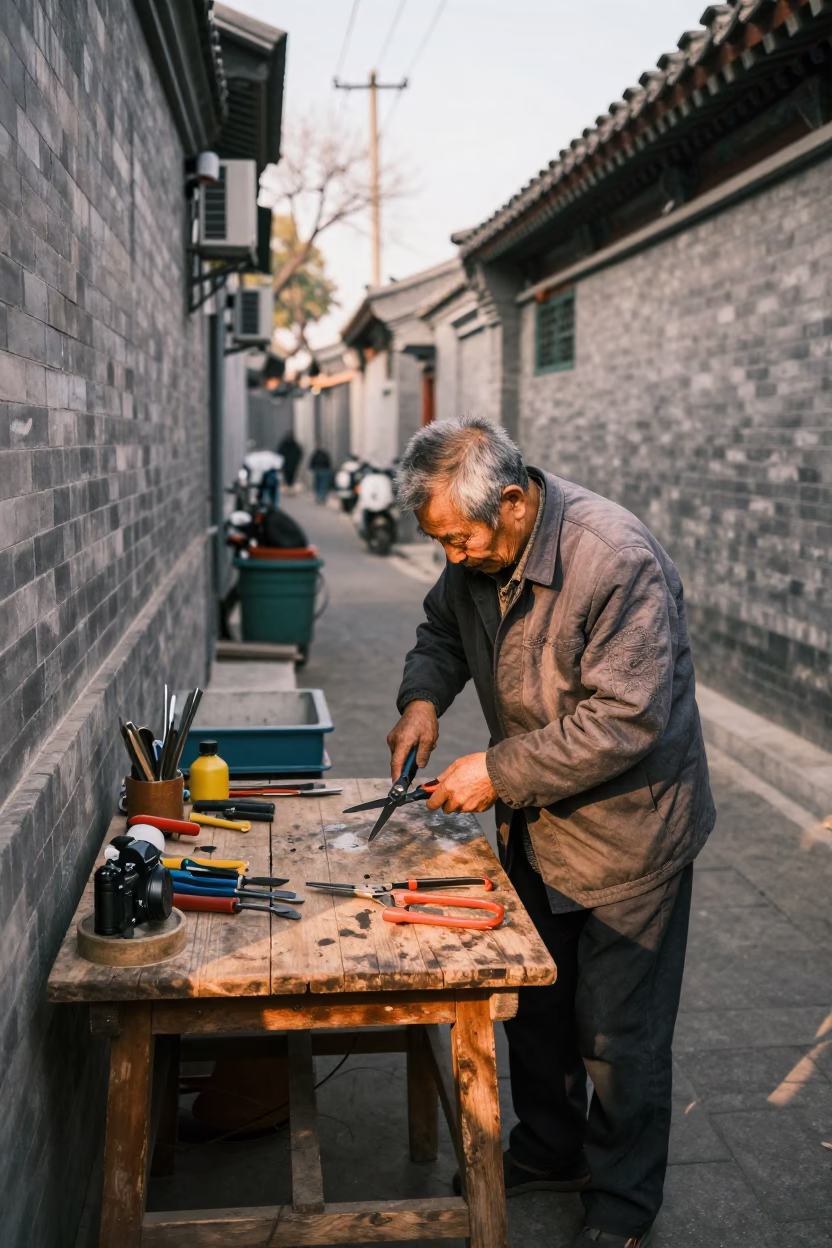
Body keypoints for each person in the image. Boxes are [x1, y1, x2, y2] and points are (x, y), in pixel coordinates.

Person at [387, 416, 715, 1248]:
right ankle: (550, 1148)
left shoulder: (614, 559)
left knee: (617, 1034)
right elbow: (439, 631)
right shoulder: (472, 552)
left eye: (461, 541)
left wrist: (494, 771)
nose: (454, 558)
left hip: (629, 835)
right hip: (536, 827)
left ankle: (622, 1202)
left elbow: (624, 720)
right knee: (535, 1005)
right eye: (441, 544)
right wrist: (423, 699)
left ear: (513, 501)